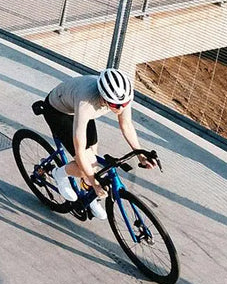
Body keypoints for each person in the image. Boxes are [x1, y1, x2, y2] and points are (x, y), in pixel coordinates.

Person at [33, 68, 155, 220]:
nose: (121, 108)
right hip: (58, 111)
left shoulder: (122, 96)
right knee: (86, 165)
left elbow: (126, 125)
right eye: (115, 105)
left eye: (124, 104)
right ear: (103, 98)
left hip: (77, 108)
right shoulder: (86, 103)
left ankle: (88, 195)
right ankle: (58, 173)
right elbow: (79, 151)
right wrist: (95, 184)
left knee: (94, 159)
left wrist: (141, 155)